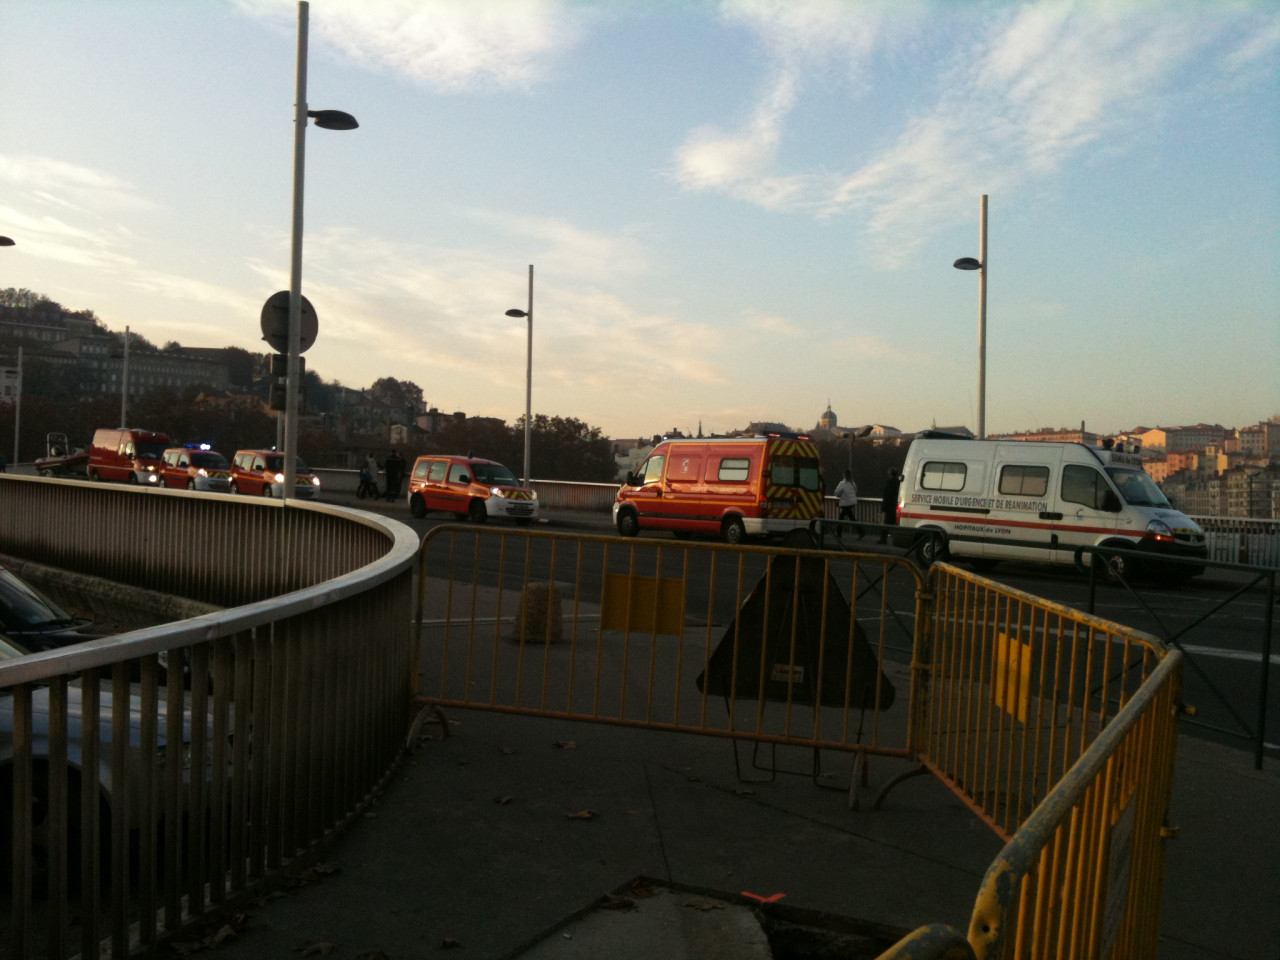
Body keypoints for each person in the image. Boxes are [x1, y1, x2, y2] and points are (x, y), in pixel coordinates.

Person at [834, 469, 860, 535]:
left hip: (846, 503)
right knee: (850, 517)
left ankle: (839, 533)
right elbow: (855, 492)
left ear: (844, 475)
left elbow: (836, 493)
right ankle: (861, 532)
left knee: (841, 518)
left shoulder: (842, 483)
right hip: (852, 502)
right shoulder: (853, 483)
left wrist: (841, 495)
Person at [880, 467, 902, 543]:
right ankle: (896, 538)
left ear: (890, 474)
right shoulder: (898, 482)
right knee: (893, 522)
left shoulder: (889, 482)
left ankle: (883, 539)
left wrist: (883, 506)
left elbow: (887, 495)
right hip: (894, 505)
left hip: (889, 506)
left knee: (886, 523)